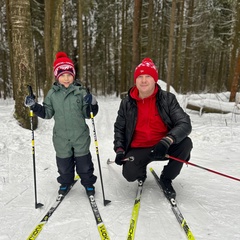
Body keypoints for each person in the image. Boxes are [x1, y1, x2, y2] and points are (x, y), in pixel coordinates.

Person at [113, 58, 192, 199]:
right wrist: (120, 150)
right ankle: (140, 171)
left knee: (186, 143)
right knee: (130, 175)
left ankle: (166, 178)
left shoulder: (168, 99)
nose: (143, 80)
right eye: (140, 77)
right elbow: (119, 128)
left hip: (163, 146)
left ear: (155, 80)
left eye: (148, 76)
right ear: (135, 80)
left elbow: (184, 123)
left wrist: (167, 140)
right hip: (138, 148)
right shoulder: (126, 103)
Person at [24, 52, 98, 196]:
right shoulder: (52, 94)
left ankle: (88, 184)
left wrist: (93, 104)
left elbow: (88, 114)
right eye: (62, 75)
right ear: (57, 76)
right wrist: (34, 106)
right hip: (61, 137)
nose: (66, 78)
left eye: (69, 75)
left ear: (73, 75)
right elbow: (47, 113)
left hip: (80, 136)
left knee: (84, 164)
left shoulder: (81, 92)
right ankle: (65, 182)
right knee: (64, 165)